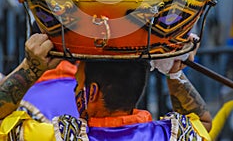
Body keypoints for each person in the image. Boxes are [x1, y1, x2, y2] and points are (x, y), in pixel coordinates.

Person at [0, 33, 211, 140]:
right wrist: (174, 72)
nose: (74, 91)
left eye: (78, 84)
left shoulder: (58, 137)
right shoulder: (174, 135)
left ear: (92, 92)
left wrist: (30, 69)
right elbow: (203, 123)